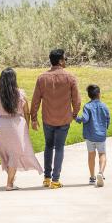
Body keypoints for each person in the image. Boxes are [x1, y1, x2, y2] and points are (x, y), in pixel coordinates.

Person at [31, 48, 81, 189]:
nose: (66, 61)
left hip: (48, 118)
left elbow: (35, 100)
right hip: (64, 119)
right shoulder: (70, 78)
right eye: (65, 58)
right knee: (59, 148)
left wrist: (33, 118)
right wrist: (74, 114)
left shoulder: (42, 78)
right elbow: (76, 100)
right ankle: (55, 180)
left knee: (48, 146)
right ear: (60, 60)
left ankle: (47, 178)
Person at [0, 68, 43, 191]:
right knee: (15, 154)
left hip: (1, 125)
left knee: (6, 153)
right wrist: (27, 126)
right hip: (17, 125)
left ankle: (11, 178)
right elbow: (26, 113)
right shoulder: (20, 95)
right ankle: (9, 184)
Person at [75, 84, 110, 187]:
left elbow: (85, 119)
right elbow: (108, 119)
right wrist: (105, 128)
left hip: (90, 136)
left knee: (91, 155)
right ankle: (101, 173)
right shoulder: (104, 106)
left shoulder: (87, 106)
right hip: (101, 135)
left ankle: (92, 177)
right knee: (102, 154)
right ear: (99, 94)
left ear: (89, 95)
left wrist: (77, 118)